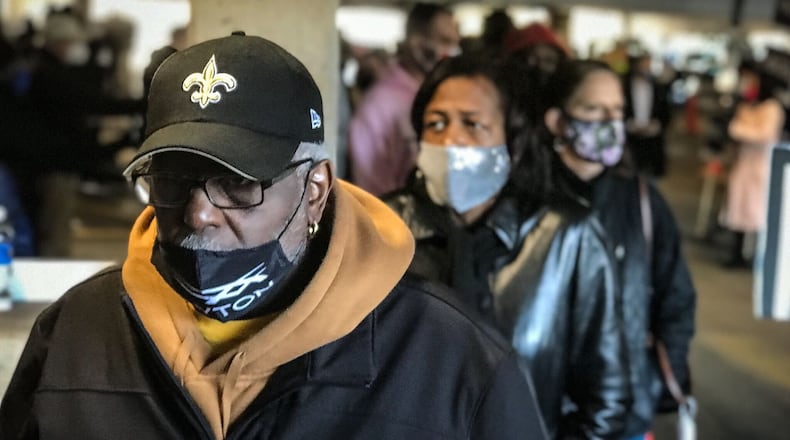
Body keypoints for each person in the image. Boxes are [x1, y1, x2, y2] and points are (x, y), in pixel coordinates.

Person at [0, 33, 548, 439]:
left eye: (238, 184)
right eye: (172, 180)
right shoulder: (75, 334)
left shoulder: (448, 360)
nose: (199, 213)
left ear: (315, 189)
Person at [384, 55, 630, 439]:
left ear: (512, 142)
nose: (451, 140)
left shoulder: (568, 237)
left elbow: (605, 401)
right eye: (436, 123)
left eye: (473, 124)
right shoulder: (383, 228)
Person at [539, 59, 696, 439]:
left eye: (618, 111)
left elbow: (676, 300)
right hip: (540, 409)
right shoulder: (530, 201)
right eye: (594, 109)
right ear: (557, 121)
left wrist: (653, 382)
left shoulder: (642, 200)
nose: (611, 121)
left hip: (626, 410)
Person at [349, 2, 460, 196]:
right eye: (444, 41)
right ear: (417, 43)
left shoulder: (442, 94)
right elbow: (370, 189)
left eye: (455, 42)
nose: (453, 51)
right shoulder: (379, 105)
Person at [722, 60, 786, 267]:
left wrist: (738, 128)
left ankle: (757, 257)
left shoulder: (772, 108)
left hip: (761, 165)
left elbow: (765, 135)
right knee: (738, 211)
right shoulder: (746, 105)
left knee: (758, 214)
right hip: (744, 163)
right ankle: (736, 254)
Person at [622, 52, 671, 178]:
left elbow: (665, 111)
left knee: (650, 175)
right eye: (644, 63)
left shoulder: (658, 85)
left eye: (649, 63)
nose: (647, 67)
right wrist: (630, 125)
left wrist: (657, 125)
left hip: (652, 139)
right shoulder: (623, 84)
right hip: (630, 139)